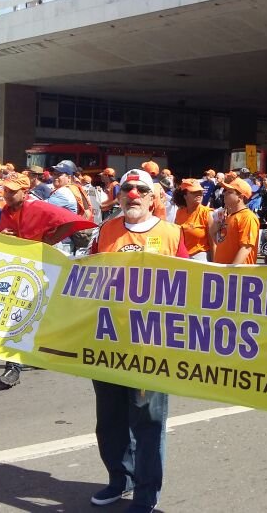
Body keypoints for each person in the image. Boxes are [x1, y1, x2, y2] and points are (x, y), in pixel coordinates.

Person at [89, 169, 188, 513]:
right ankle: (120, 478)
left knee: (147, 422)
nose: (132, 193)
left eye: (140, 189)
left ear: (151, 198)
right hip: (108, 343)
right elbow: (84, 275)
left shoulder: (172, 234)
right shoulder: (105, 230)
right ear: (118, 196)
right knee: (110, 419)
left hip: (152, 346)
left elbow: (193, 290)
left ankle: (147, 492)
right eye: (125, 188)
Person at [0, 173, 95, 388]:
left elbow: (72, 221)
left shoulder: (39, 208)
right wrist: (3, 236)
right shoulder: (7, 211)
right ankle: (19, 362)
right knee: (18, 313)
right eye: (6, 191)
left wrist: (50, 239)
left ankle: (17, 364)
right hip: (17, 269)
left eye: (12, 191)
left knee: (25, 314)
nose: (8, 195)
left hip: (39, 267)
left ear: (25, 191)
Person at [211, 176, 259, 264]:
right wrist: (214, 229)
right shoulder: (230, 216)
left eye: (229, 192)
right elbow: (221, 243)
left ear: (240, 197)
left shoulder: (248, 217)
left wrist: (232, 272)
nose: (224, 194)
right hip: (224, 272)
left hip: (237, 274)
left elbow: (246, 248)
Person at [173, 179, 215, 261]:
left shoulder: (207, 213)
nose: (199, 195)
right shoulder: (180, 212)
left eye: (200, 192)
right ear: (185, 196)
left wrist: (215, 266)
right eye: (194, 192)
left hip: (200, 257)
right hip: (181, 256)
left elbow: (213, 243)